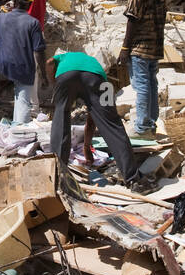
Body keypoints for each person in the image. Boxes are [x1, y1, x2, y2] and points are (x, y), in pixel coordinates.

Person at [49, 51, 137, 180]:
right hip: (97, 78)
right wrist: (86, 146)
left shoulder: (62, 58)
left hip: (66, 77)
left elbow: (49, 62)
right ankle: (133, 179)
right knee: (111, 124)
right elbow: (93, 119)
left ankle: (57, 175)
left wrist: (54, 83)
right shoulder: (92, 62)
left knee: (61, 117)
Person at [118, 0, 166, 137]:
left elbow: (132, 17)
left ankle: (142, 127)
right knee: (152, 84)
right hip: (155, 43)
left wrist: (125, 47)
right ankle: (151, 123)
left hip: (140, 45)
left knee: (142, 85)